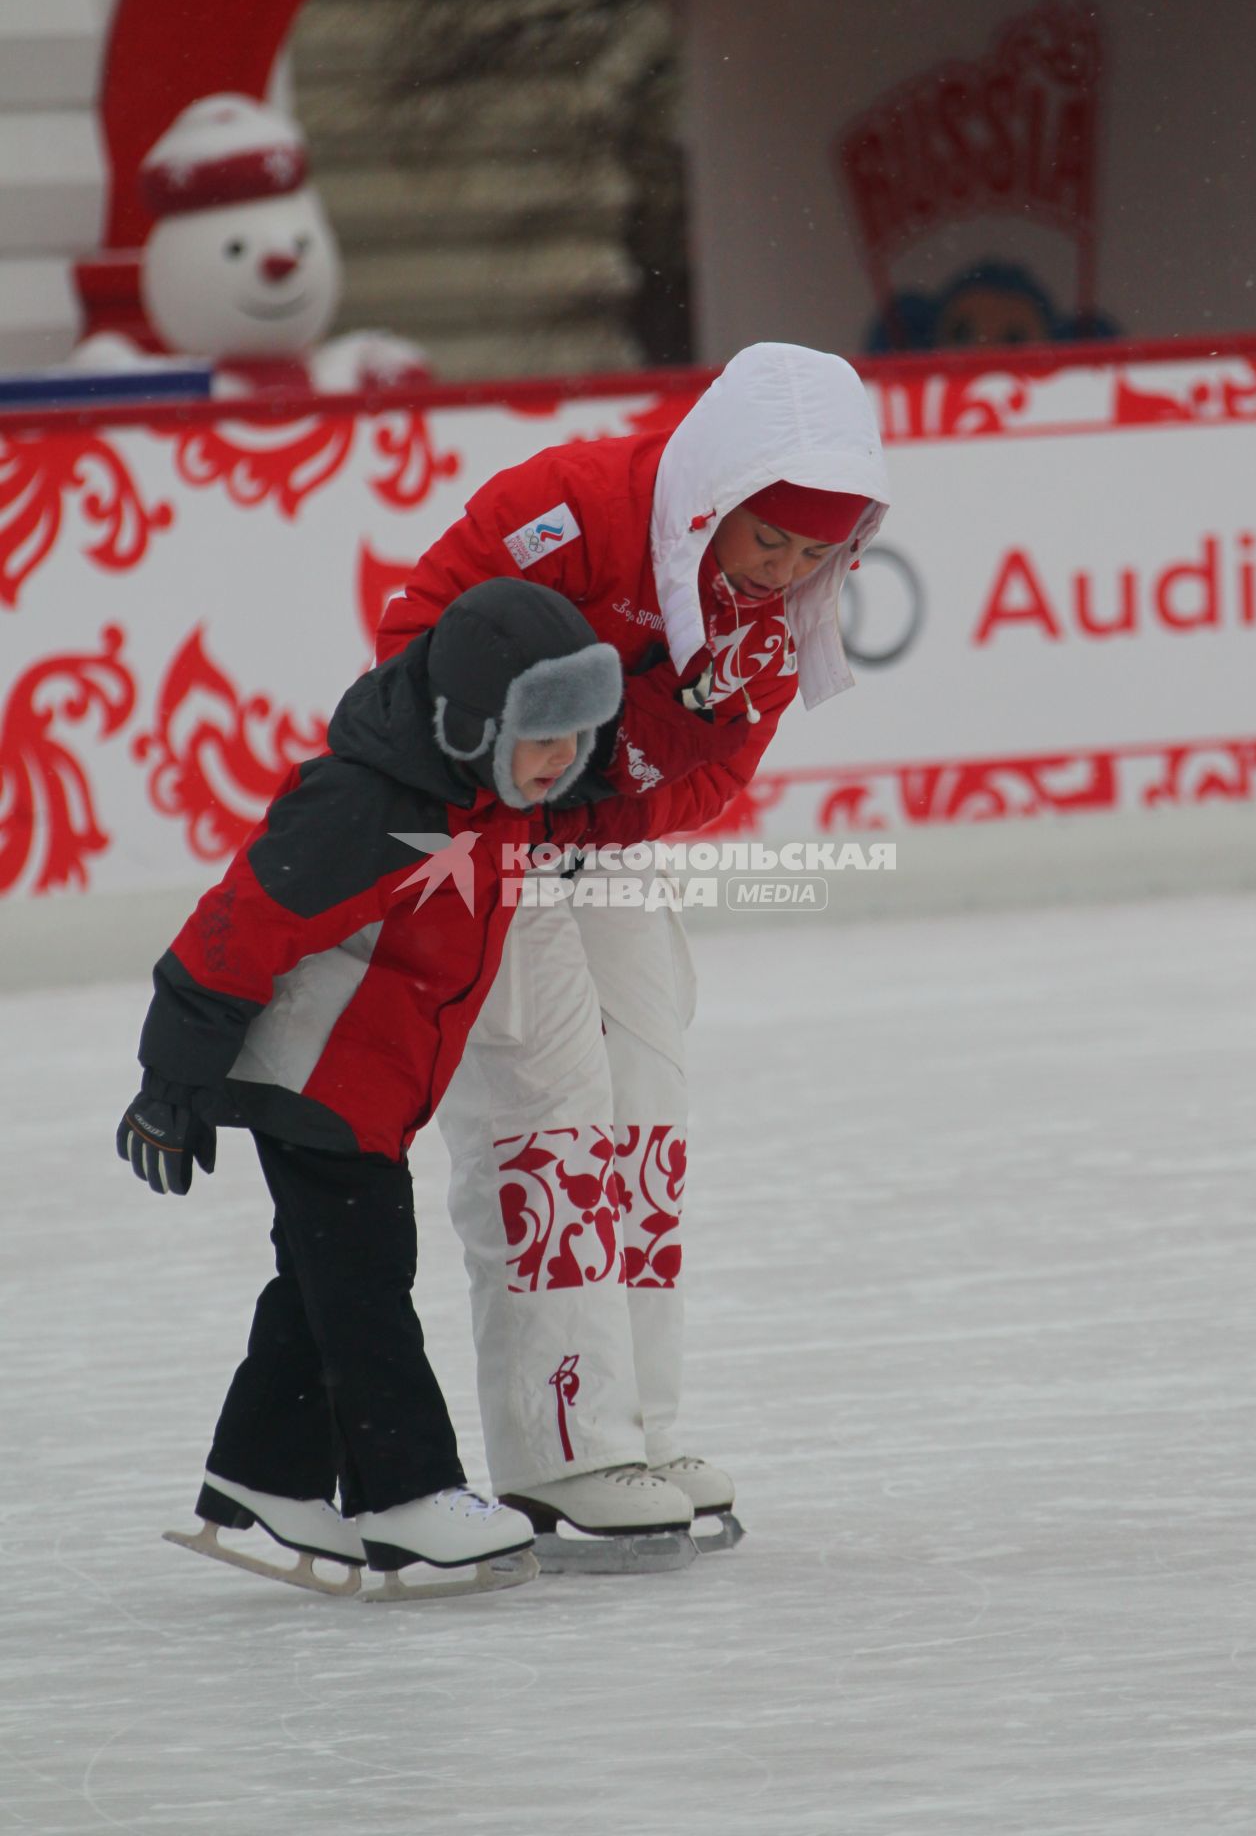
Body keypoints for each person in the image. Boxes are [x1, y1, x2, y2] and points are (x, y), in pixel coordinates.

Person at [376, 341, 891, 1552]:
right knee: (543, 1109)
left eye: (818, 554)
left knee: (642, 1104)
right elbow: (411, 649)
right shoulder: (565, 510)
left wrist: (604, 791)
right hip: (469, 828)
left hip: (589, 839)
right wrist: (531, 775)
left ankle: (640, 1422)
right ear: (718, 490)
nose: (787, 573)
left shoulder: (771, 618)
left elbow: (707, 782)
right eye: (770, 541)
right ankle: (565, 1443)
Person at [115, 578, 717, 1596]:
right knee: (364, 1286)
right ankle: (405, 1496)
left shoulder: (497, 797)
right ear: (466, 722)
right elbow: (231, 927)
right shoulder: (361, 804)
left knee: (317, 1286)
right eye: (541, 740)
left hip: (372, 1091)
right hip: (312, 1083)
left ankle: (262, 1476)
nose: (560, 762)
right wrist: (170, 1083)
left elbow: (579, 788)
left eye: (577, 738)